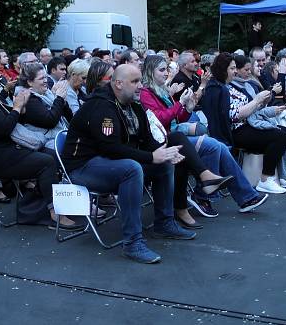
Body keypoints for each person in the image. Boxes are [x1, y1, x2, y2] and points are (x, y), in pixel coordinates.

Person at [62, 64, 195, 263]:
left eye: (140, 80)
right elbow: (111, 148)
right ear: (118, 84)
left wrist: (163, 152)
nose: (140, 86)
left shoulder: (133, 103)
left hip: (108, 161)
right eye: (135, 82)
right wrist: (151, 157)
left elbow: (147, 139)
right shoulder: (100, 106)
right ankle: (132, 242)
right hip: (83, 166)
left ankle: (164, 223)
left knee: (163, 164)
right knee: (131, 169)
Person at [140, 55, 267, 220]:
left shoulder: (162, 90)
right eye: (162, 70)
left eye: (167, 69)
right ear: (150, 72)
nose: (166, 73)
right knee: (214, 146)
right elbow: (159, 120)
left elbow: (176, 119)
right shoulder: (146, 93)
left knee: (217, 146)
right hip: (164, 142)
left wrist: (187, 109)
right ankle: (207, 196)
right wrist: (180, 104)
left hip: (175, 136)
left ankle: (240, 197)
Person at [0, 63, 80, 229]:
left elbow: (5, 120)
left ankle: (52, 205)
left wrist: (18, 109)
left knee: (51, 156)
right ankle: (54, 212)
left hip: (1, 151)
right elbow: (3, 129)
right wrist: (17, 108)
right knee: (46, 162)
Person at [201, 53, 286, 195]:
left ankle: (278, 175)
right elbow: (235, 116)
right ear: (223, 70)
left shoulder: (227, 86)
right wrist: (257, 101)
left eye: (235, 68)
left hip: (247, 124)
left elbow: (249, 107)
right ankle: (265, 180)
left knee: (285, 132)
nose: (235, 71)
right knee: (278, 136)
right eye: (232, 68)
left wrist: (262, 102)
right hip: (235, 131)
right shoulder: (218, 89)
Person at [18, 63, 71, 152]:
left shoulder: (47, 93)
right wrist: (59, 99)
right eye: (42, 78)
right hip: (48, 143)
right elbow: (50, 121)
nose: (46, 80)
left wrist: (63, 102)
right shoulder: (28, 98)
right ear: (29, 82)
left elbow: (70, 117)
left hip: (59, 135)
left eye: (46, 77)